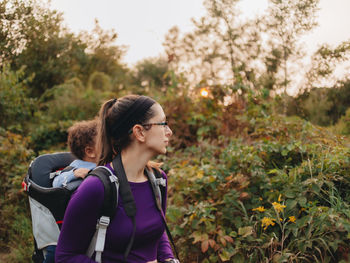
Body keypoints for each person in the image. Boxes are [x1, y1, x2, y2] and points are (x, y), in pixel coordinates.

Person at [55, 95, 178, 263]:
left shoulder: (158, 180)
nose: (169, 131)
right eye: (163, 124)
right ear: (139, 132)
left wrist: (169, 259)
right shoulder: (96, 187)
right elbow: (65, 257)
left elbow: (157, 233)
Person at [43, 119, 98, 263]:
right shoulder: (76, 167)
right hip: (63, 233)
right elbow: (56, 182)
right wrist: (73, 174)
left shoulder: (103, 166)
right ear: (90, 151)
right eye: (103, 141)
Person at [52, 119, 98, 188]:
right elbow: (56, 183)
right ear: (90, 152)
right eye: (103, 144)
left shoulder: (107, 162)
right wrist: (74, 173)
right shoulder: (78, 165)